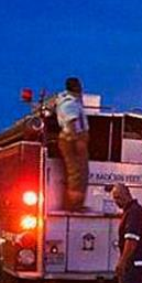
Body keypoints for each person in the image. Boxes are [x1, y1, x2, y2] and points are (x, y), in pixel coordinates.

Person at [56, 77, 90, 211]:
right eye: (79, 85)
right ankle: (74, 205)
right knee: (77, 173)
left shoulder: (70, 101)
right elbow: (71, 122)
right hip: (71, 140)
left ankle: (76, 204)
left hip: (71, 139)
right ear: (75, 87)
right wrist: (78, 141)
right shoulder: (69, 103)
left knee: (79, 173)